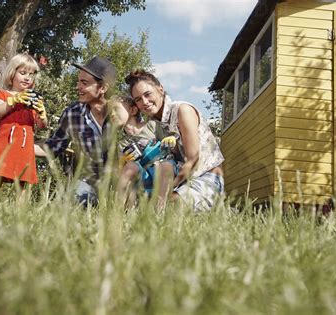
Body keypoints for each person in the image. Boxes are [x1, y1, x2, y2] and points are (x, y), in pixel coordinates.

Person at [124, 70, 225, 212]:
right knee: (142, 207)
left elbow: (193, 161)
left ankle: (216, 207)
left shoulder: (182, 110)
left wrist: (165, 192)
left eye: (148, 94)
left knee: (166, 208)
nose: (144, 102)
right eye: (138, 99)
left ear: (160, 89)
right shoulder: (155, 124)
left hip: (207, 178)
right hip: (180, 180)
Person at [44, 56, 117, 207]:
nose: (78, 87)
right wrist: (20, 147)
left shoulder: (122, 111)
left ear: (103, 88)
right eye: (78, 82)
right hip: (88, 182)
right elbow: (53, 146)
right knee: (70, 202)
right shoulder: (73, 113)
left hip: (122, 182)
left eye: (84, 83)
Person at [0, 53, 47, 198]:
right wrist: (12, 101)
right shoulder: (3, 94)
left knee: (23, 183)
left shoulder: (33, 99)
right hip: (5, 144)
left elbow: (41, 126)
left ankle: (20, 216)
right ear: (12, 73)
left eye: (31, 75)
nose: (27, 77)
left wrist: (42, 115)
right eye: (22, 73)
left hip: (25, 147)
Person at [108, 95, 178, 207]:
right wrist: (122, 164)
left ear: (133, 110)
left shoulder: (152, 126)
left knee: (166, 166)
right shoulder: (122, 143)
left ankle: (160, 210)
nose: (111, 114)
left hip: (163, 171)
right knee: (130, 166)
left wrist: (171, 140)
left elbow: (174, 144)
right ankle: (117, 210)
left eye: (116, 110)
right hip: (142, 177)